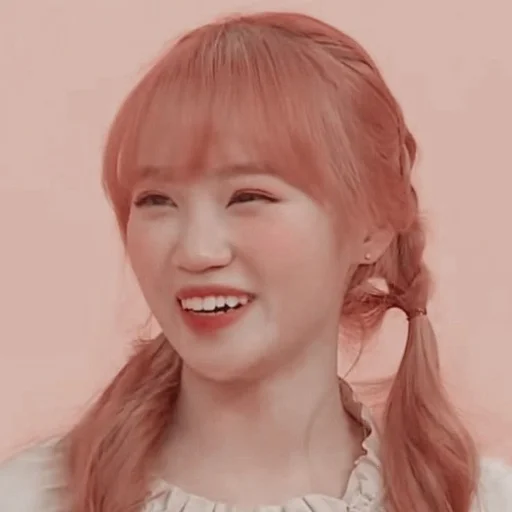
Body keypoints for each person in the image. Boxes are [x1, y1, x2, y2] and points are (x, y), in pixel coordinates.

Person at [0, 10, 511, 512]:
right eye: (156, 200)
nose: (197, 252)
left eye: (248, 196)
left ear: (372, 228)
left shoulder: (478, 500)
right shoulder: (30, 498)